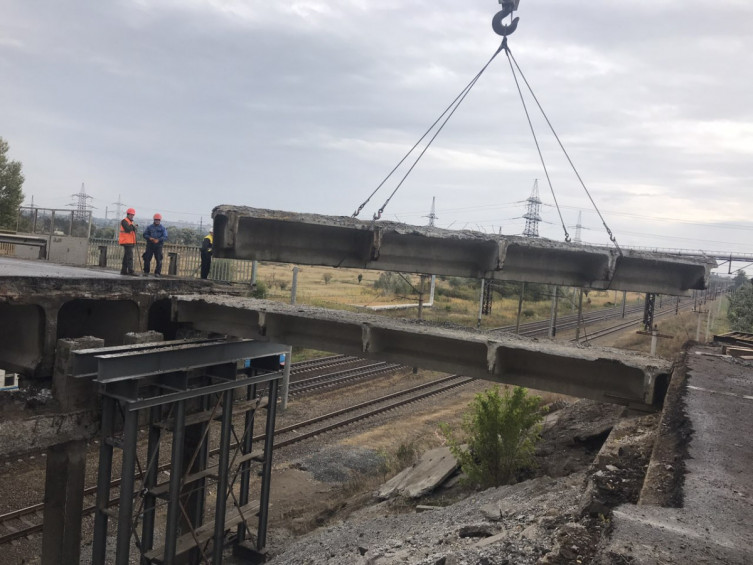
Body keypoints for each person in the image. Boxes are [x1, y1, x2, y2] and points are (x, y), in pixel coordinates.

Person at [119, 208, 138, 275]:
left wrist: (133, 227)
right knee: (130, 256)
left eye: (133, 215)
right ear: (128, 214)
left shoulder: (130, 222)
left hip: (130, 241)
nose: (132, 216)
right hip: (126, 241)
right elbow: (127, 229)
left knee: (126, 257)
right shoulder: (124, 221)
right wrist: (134, 227)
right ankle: (131, 271)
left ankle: (123, 270)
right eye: (131, 215)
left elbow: (131, 229)